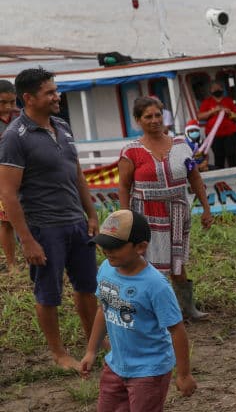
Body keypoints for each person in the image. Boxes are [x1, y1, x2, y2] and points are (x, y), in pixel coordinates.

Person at [78, 210, 197, 412]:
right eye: (104, 246)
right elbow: (103, 311)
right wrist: (92, 350)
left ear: (140, 247)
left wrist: (183, 374)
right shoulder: (106, 269)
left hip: (149, 369)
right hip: (117, 363)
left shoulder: (155, 285)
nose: (107, 252)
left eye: (115, 246)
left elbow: (177, 330)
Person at [0, 68, 100, 369]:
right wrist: (27, 240)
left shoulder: (62, 125)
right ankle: (58, 354)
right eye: (49, 92)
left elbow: (77, 174)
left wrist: (91, 213)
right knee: (48, 292)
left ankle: (94, 340)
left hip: (76, 222)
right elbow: (8, 193)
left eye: (55, 91)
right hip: (44, 227)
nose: (57, 96)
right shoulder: (14, 138)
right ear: (28, 98)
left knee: (87, 286)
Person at [118, 97, 214, 321]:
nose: (154, 120)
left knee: (177, 262)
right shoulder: (131, 152)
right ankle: (153, 312)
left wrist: (206, 209)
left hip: (177, 210)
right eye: (148, 117)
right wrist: (126, 219)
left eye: (158, 115)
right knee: (148, 264)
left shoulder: (181, 145)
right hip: (147, 212)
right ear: (138, 121)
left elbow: (195, 178)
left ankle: (187, 308)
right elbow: (123, 187)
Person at [196, 81, 236, 169]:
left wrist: (230, 112)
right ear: (210, 90)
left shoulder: (229, 101)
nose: (216, 90)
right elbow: (200, 116)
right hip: (214, 135)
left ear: (222, 89)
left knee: (232, 155)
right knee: (219, 157)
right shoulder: (207, 102)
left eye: (218, 88)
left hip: (230, 134)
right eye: (214, 88)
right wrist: (212, 111)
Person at [0, 79, 20, 271]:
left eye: (12, 102)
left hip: (25, 176)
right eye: (2, 102)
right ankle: (12, 264)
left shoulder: (22, 118)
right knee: (6, 221)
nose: (8, 107)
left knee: (33, 217)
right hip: (2, 180)